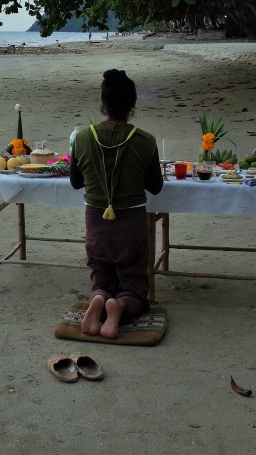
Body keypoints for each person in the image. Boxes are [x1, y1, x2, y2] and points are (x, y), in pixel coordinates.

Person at [69, 69, 163, 338]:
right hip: (131, 224)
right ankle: (120, 305)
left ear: (102, 102)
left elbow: (76, 183)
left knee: (101, 276)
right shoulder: (146, 141)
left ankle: (98, 298)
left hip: (96, 221)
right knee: (134, 287)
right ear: (133, 104)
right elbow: (155, 186)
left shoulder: (83, 138)